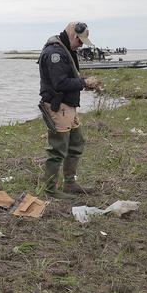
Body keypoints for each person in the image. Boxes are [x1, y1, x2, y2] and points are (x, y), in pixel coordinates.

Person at [38, 22, 98, 199]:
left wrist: (83, 81)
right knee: (57, 149)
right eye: (80, 41)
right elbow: (60, 83)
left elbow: (68, 78)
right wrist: (84, 82)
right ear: (74, 35)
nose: (81, 45)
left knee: (76, 143)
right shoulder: (54, 53)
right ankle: (50, 189)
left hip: (68, 106)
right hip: (59, 107)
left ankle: (70, 183)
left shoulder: (65, 49)